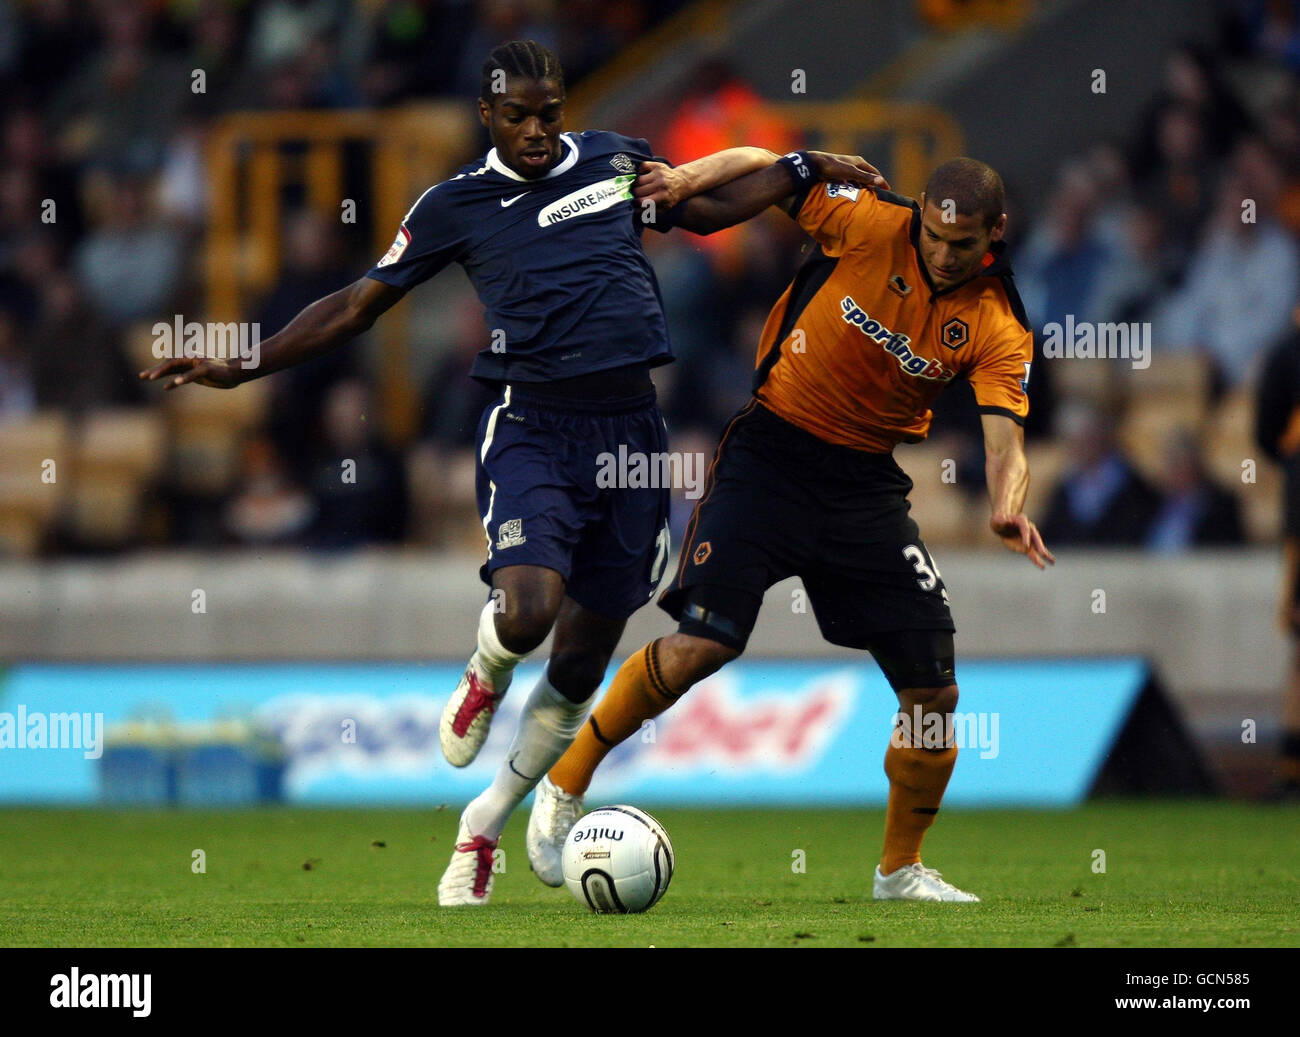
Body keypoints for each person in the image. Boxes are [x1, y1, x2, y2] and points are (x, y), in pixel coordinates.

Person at [138, 39, 886, 905]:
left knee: (583, 657)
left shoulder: (612, 160)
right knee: (528, 609)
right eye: (517, 116)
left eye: (548, 113)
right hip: (533, 425)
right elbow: (356, 303)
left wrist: (802, 170)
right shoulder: (454, 204)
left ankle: (485, 824)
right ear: (487, 116)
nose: (536, 131)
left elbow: (706, 210)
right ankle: (486, 672)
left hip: (631, 436)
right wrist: (247, 361)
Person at [529, 155, 1055, 903]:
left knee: (934, 698)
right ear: (922, 216)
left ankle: (899, 869)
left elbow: (1008, 444)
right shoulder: (871, 220)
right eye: (934, 236)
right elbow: (779, 169)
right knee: (701, 645)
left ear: (995, 234)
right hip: (770, 455)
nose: (941, 253)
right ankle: (563, 784)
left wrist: (1008, 504)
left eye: (960, 245)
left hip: (864, 488)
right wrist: (682, 185)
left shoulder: (1000, 322)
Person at [1255, 313, 1300, 800]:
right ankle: (1292, 766)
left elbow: (1266, 433)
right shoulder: (1288, 349)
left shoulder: (1287, 348)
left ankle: (1292, 769)